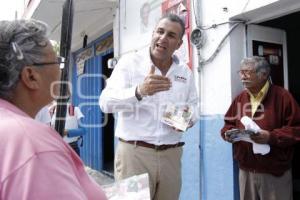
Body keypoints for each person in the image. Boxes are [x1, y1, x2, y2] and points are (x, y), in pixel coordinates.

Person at [0, 19, 107, 199]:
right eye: (56, 61)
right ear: (31, 76)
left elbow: (83, 130)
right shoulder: (31, 143)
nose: (60, 70)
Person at [99, 14, 198, 200]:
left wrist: (186, 120)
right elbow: (105, 102)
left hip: (172, 155)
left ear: (179, 43)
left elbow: (193, 106)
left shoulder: (185, 72)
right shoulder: (130, 63)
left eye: (171, 35)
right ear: (152, 33)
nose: (163, 38)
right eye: (160, 31)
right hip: (135, 156)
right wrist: (139, 91)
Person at [221, 56, 300, 200]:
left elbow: (296, 129)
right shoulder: (240, 99)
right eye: (241, 72)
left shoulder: (283, 97)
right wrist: (227, 133)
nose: (242, 76)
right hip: (246, 171)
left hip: (274, 173)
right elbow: (228, 123)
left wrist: (271, 137)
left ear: (263, 74)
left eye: (247, 72)